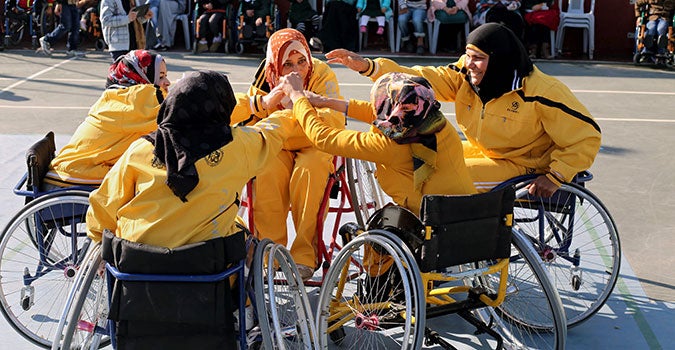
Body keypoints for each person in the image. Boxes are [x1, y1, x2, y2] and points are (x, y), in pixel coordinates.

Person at [86, 70, 294, 349]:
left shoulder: (138, 151)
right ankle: (244, 314)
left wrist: (99, 242)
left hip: (138, 280)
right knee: (247, 241)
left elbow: (102, 206)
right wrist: (290, 105)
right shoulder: (239, 147)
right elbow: (273, 132)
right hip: (208, 279)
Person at [325, 22, 602, 198]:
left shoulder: (542, 92)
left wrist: (555, 176)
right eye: (468, 56)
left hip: (524, 163)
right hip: (484, 150)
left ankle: (441, 252)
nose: (469, 64)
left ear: (500, 60)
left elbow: (586, 136)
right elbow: (423, 77)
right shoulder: (465, 75)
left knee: (441, 183)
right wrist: (369, 67)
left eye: (478, 58)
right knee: (408, 158)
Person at [229, 28, 344, 281]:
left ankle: (305, 255)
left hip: (314, 140)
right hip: (280, 143)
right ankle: (270, 251)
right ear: (274, 65)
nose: (296, 70)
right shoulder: (265, 75)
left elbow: (333, 121)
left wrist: (295, 108)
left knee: (310, 171)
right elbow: (251, 115)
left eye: (302, 61)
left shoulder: (322, 73)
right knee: (266, 170)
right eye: (288, 64)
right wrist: (269, 104)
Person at [280, 71, 477, 215]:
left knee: (382, 222)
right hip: (468, 219)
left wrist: (298, 98)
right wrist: (326, 102)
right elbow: (387, 115)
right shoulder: (437, 122)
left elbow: (323, 137)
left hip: (429, 224)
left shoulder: (389, 146)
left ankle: (377, 272)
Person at [44, 50, 170, 189]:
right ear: (141, 75)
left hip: (72, 169)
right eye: (161, 76)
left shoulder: (120, 97)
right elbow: (169, 118)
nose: (168, 82)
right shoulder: (133, 102)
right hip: (73, 176)